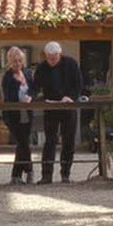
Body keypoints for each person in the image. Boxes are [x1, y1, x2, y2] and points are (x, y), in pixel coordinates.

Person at [33, 41, 83, 184]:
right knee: (50, 141)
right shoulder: (42, 68)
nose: (52, 61)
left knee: (68, 141)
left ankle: (65, 174)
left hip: (68, 106)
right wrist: (32, 95)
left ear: (60, 54)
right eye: (49, 58)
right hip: (51, 106)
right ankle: (46, 176)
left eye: (54, 58)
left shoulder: (71, 64)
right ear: (46, 56)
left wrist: (71, 97)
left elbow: (78, 85)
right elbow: (36, 86)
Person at [1, 46, 35, 185]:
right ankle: (29, 170)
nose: (18, 63)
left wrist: (30, 97)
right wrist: (19, 89)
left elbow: (33, 88)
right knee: (23, 143)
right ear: (10, 61)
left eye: (20, 60)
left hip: (26, 113)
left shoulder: (27, 73)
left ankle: (17, 176)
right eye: (15, 61)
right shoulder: (7, 77)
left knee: (23, 144)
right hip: (13, 114)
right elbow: (8, 95)